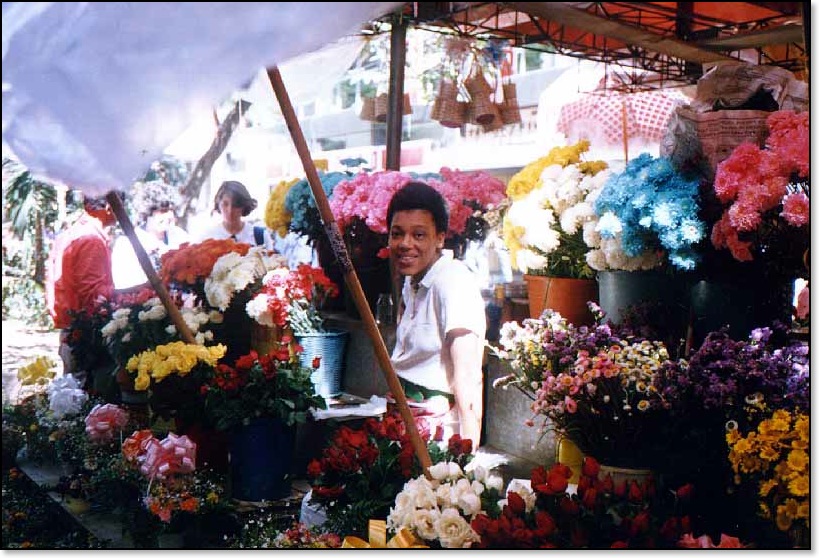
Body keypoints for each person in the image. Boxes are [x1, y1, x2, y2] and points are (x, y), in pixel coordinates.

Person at [386, 181, 487, 448]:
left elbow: (469, 378)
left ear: (440, 238)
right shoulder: (412, 281)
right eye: (397, 234)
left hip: (437, 441)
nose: (405, 244)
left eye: (418, 235)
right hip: (402, 428)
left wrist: (466, 458)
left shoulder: (453, 282)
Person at [45, 191, 128, 390]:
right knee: (87, 399)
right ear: (111, 207)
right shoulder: (91, 239)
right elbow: (95, 296)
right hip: (84, 336)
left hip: (71, 331)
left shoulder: (72, 232)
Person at [111, 196, 189, 289]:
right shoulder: (127, 244)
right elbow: (127, 286)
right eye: (163, 211)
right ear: (147, 213)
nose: (169, 216)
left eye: (171, 210)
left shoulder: (178, 234)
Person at [192, 180, 274, 248]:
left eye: (236, 205)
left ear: (244, 206)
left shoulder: (260, 236)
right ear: (218, 204)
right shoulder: (207, 238)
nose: (230, 210)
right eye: (225, 204)